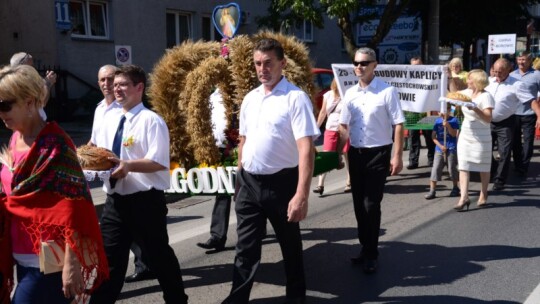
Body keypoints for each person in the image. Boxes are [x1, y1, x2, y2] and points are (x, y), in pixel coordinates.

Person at [0, 64, 108, 303]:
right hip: (19, 255)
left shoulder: (57, 145)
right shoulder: (16, 137)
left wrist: (72, 263)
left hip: (48, 262)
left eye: (5, 105)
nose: (1, 112)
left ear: (29, 103)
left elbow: (75, 209)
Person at [223, 38, 319, 304]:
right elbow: (243, 141)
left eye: (268, 63)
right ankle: (237, 299)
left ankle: (296, 297)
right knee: (245, 248)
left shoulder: (295, 98)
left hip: (282, 184)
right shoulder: (250, 99)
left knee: (290, 246)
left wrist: (301, 194)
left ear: (282, 64)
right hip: (249, 183)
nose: (262, 69)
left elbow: (306, 149)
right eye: (257, 63)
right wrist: (239, 180)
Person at [89, 65, 188, 304]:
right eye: (115, 85)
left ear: (139, 87)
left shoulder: (151, 121)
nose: (117, 89)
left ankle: (177, 300)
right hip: (115, 202)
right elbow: (100, 152)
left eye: (122, 85)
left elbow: (158, 162)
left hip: (145, 202)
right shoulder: (111, 118)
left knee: (159, 258)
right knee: (109, 261)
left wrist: (129, 166)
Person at [337, 47, 405, 274]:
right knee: (358, 204)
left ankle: (372, 253)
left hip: (379, 153)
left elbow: (398, 124)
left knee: (371, 204)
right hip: (356, 154)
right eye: (356, 63)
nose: (359, 67)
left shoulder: (387, 91)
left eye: (364, 63)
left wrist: (397, 155)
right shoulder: (350, 94)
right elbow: (344, 127)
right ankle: (365, 247)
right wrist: (338, 152)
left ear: (375, 65)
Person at [486, 58, 531, 191]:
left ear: (508, 71)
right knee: (485, 149)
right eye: (495, 71)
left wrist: (539, 115)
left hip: (506, 122)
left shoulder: (516, 84)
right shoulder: (488, 81)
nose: (497, 74)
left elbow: (531, 100)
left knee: (505, 152)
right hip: (488, 121)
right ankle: (494, 168)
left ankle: (500, 180)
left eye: (500, 72)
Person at [197, 89, 232, 252]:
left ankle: (255, 229)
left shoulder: (238, 94)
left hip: (237, 147)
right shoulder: (210, 97)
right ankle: (217, 237)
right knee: (222, 192)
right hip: (217, 149)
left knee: (247, 193)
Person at [455, 69, 494, 211]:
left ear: (477, 80)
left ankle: (484, 193)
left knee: (483, 165)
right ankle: (463, 197)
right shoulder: (466, 93)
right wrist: (448, 76)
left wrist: (475, 108)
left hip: (482, 136)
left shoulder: (486, 96)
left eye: (470, 78)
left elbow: (488, 119)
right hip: (466, 133)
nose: (467, 80)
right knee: (463, 165)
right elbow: (454, 93)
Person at [312, 79, 350, 195]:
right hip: (330, 129)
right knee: (327, 155)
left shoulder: (347, 95)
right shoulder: (327, 95)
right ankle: (320, 184)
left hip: (344, 129)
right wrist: (316, 128)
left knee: (346, 155)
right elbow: (323, 112)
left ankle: (349, 182)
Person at [509, 51, 540, 178]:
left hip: (529, 113)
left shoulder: (537, 75)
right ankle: (517, 164)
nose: (521, 62)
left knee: (528, 141)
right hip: (513, 113)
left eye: (524, 60)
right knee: (515, 141)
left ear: (530, 61)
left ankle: (524, 166)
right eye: (519, 59)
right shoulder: (511, 75)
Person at [424, 103, 460, 199]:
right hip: (439, 149)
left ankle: (456, 187)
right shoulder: (437, 121)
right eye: (439, 111)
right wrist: (440, 145)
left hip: (451, 148)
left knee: (451, 169)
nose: (441, 113)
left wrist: (448, 126)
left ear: (448, 110)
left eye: (444, 111)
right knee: (435, 169)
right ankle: (432, 190)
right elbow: (433, 137)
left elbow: (454, 134)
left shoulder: (454, 120)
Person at [406, 56, 435, 169]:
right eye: (413, 66)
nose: (416, 68)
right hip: (412, 112)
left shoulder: (428, 77)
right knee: (413, 137)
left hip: (426, 110)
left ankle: (431, 159)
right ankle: (413, 161)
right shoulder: (407, 78)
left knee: (429, 136)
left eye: (418, 65)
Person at [10, 52, 56, 121]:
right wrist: (48, 83)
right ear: (21, 67)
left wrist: (46, 83)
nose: (33, 69)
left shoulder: (16, 82)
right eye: (31, 66)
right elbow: (42, 102)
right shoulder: (21, 83)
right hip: (31, 126)